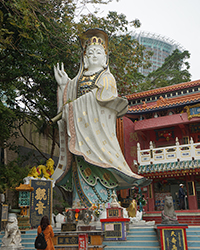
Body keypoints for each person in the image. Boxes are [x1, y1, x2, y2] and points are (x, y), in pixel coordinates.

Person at [52, 28, 150, 208]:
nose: (94, 55)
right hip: (81, 137)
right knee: (81, 163)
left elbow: (103, 99)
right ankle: (79, 204)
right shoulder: (77, 81)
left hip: (99, 137)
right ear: (85, 59)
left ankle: (106, 203)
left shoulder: (107, 77)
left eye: (99, 52)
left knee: (102, 166)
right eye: (90, 53)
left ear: (105, 59)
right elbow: (69, 97)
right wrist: (64, 84)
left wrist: (72, 107)